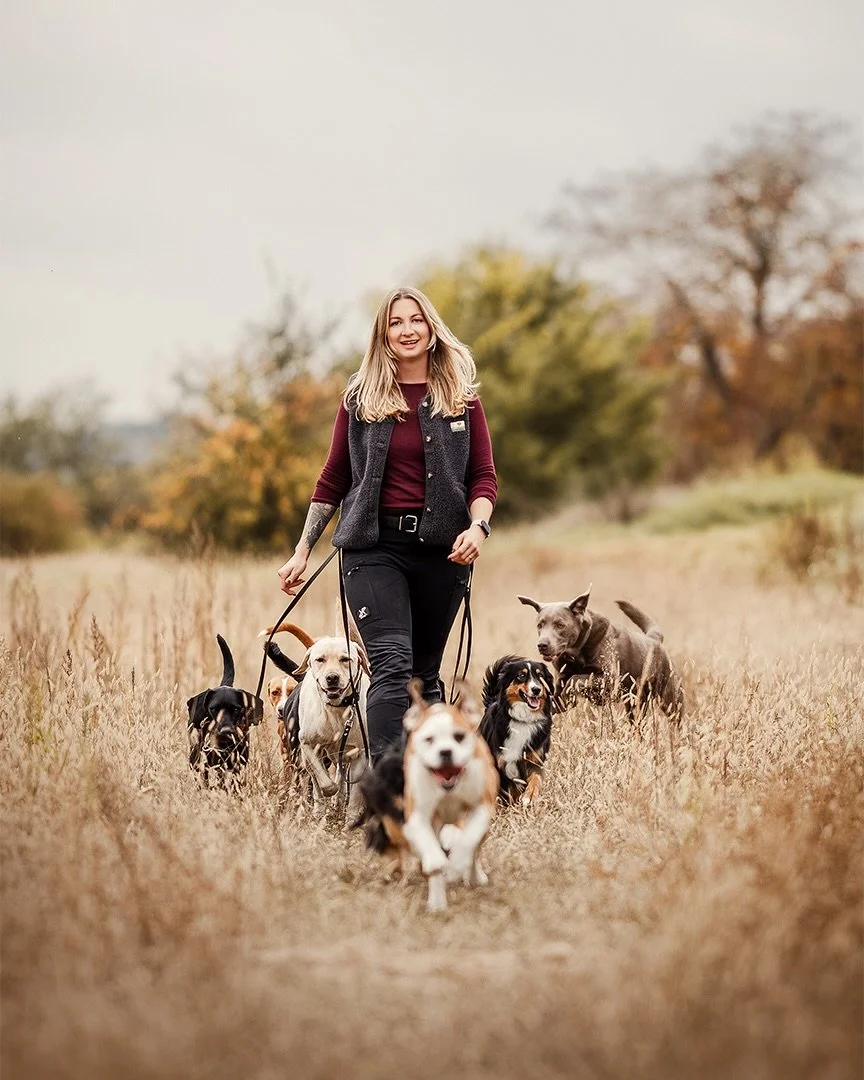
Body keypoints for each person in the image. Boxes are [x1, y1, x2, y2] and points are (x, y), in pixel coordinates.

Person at [277, 287, 497, 760]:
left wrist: (478, 528)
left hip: (444, 551)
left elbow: (482, 475)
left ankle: (428, 779)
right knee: (392, 663)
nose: (407, 330)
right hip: (373, 548)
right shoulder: (360, 400)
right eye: (396, 322)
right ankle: (389, 782)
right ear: (383, 334)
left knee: (423, 674)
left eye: (416, 320)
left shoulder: (462, 401)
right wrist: (302, 549)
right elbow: (333, 477)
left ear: (431, 328)